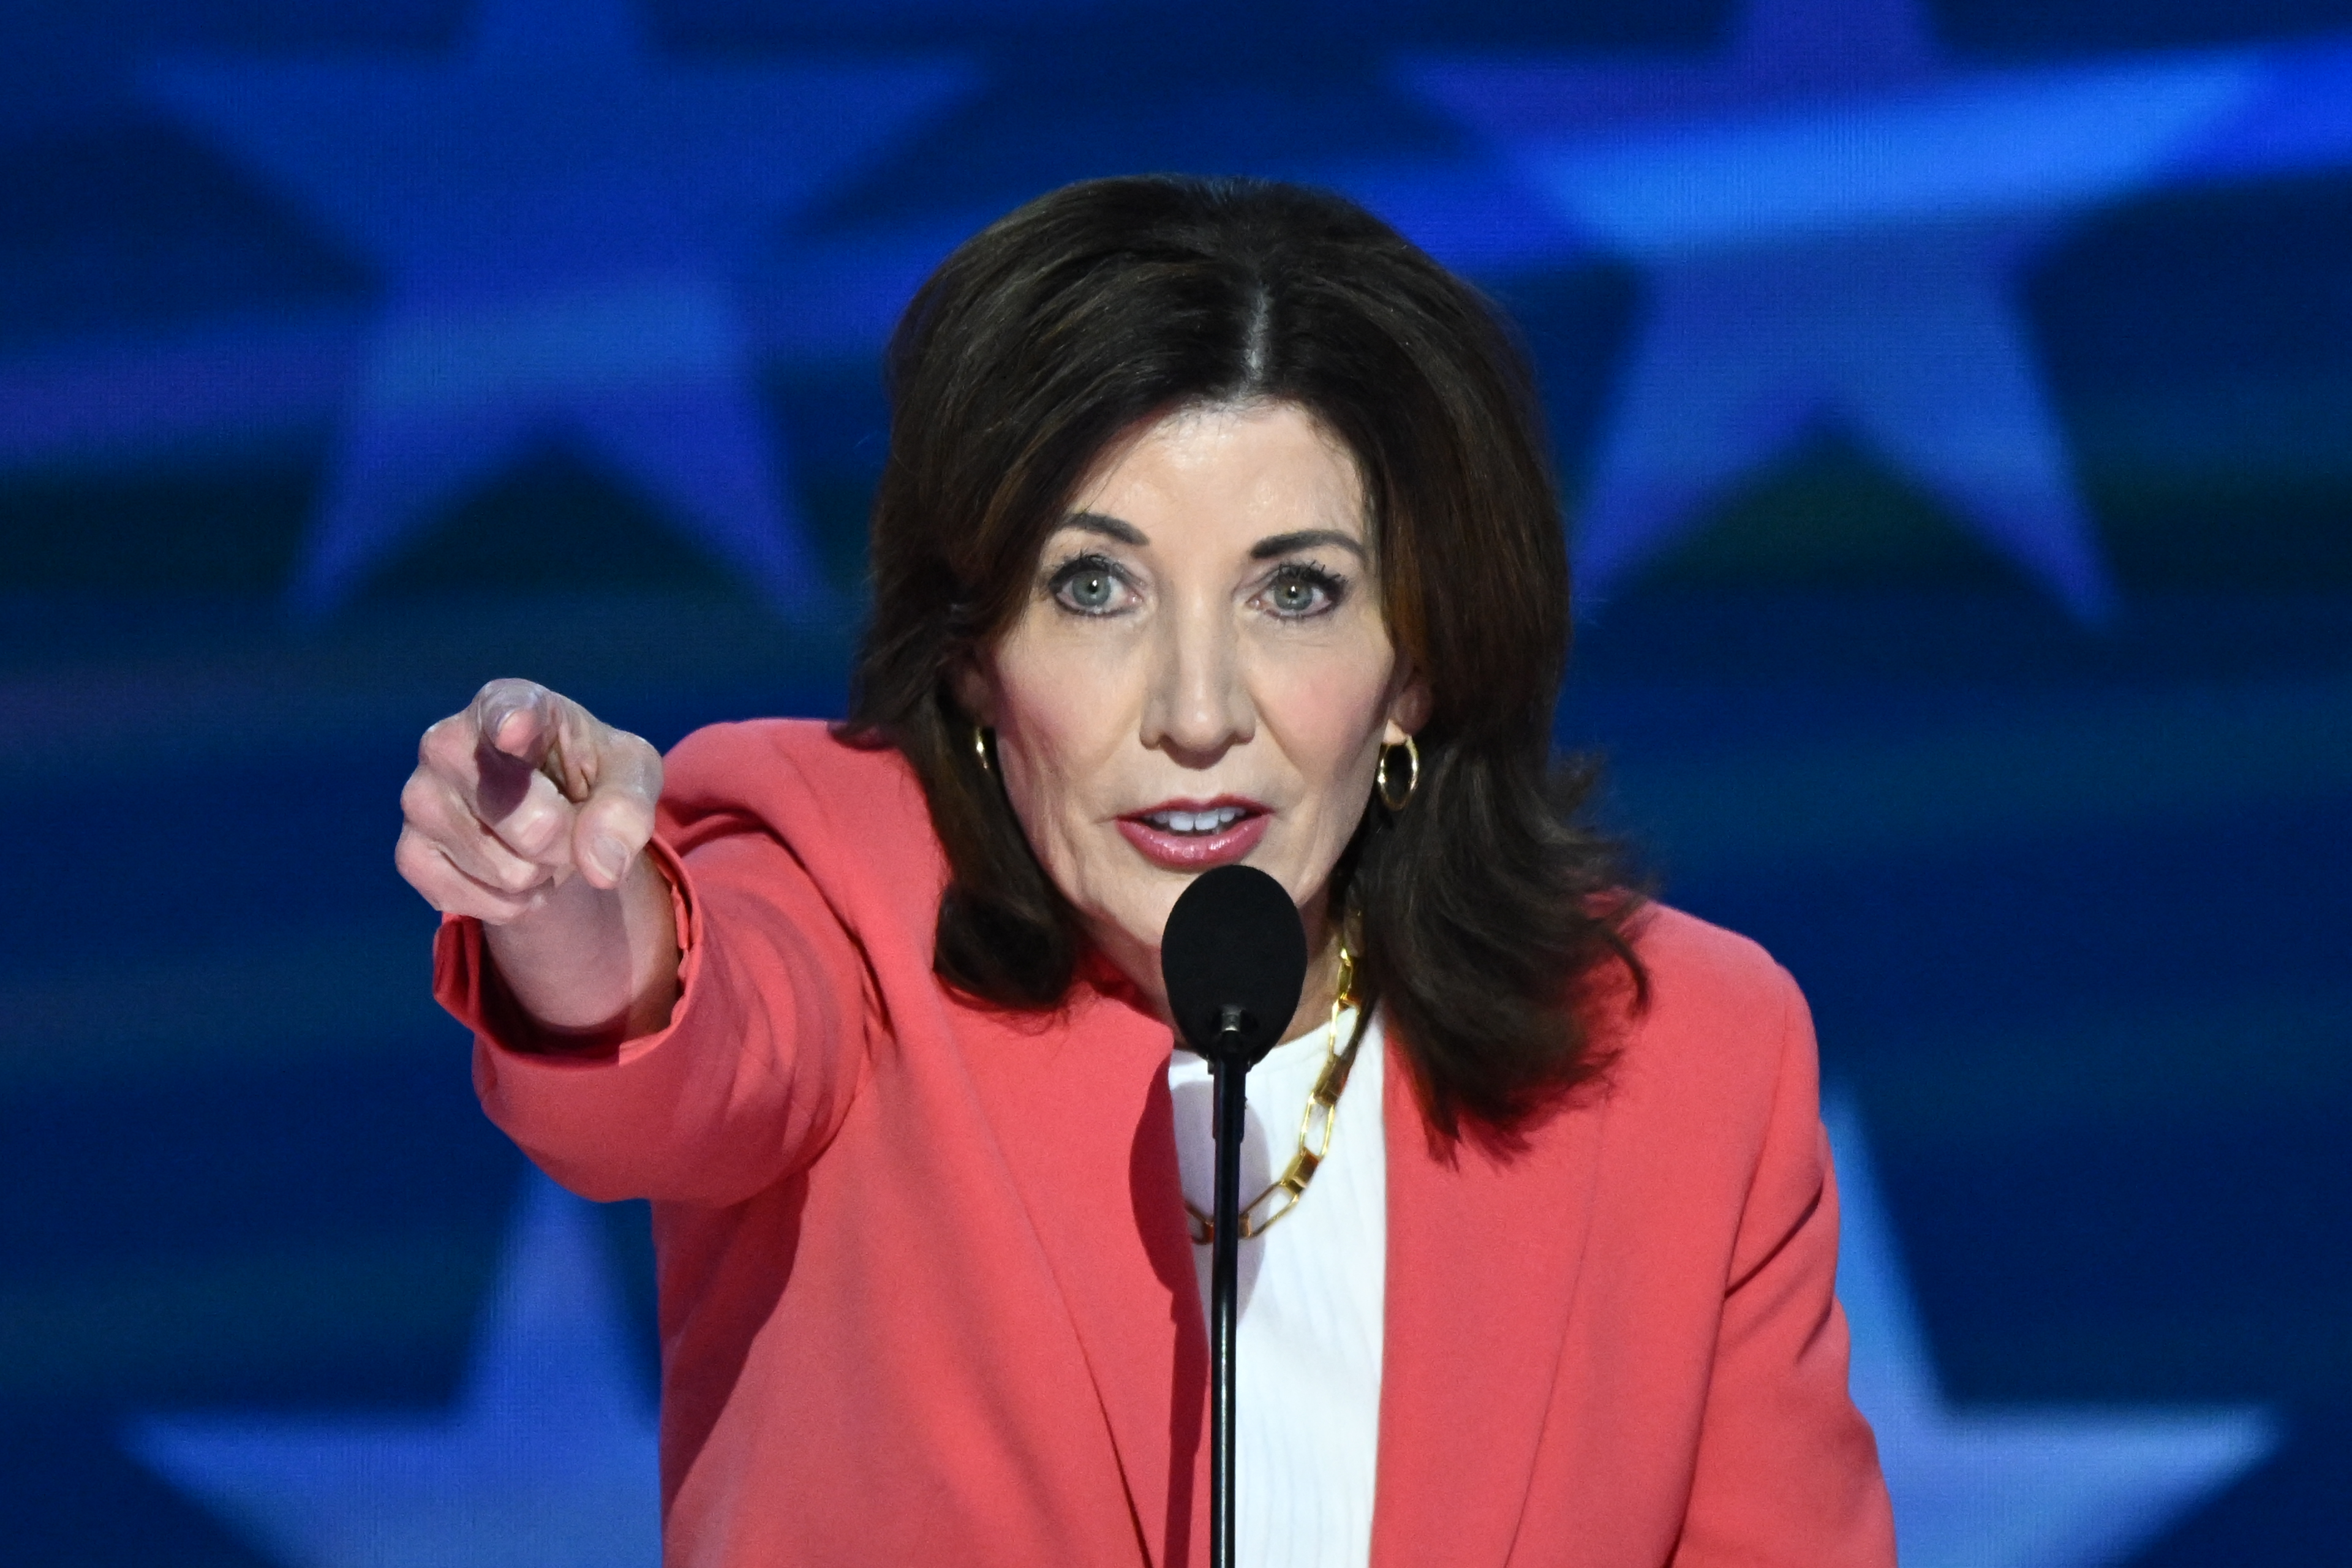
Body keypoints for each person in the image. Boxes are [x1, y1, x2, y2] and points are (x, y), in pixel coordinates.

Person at [398, 176, 1895, 1567]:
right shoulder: (840, 882)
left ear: (1418, 666)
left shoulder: (1687, 1052)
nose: (1195, 709)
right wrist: (572, 911)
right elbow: (691, 1023)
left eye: (1296, 593)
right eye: (1095, 586)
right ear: (977, 654)